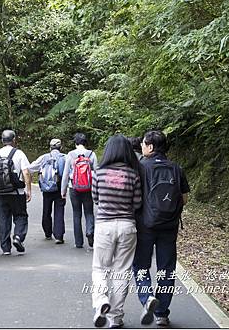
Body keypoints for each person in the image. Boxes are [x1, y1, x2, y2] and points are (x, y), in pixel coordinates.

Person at [133, 130, 190, 327]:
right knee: (166, 269)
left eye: (142, 144)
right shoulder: (176, 168)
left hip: (145, 225)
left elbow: (135, 197)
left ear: (149, 147)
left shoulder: (140, 167)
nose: (141, 147)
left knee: (141, 265)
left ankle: (147, 297)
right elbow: (184, 198)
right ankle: (162, 313)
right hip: (169, 226)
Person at [91, 135, 142, 328]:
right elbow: (137, 203)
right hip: (128, 226)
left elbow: (95, 198)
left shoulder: (99, 172)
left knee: (100, 268)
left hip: (105, 225)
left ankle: (101, 301)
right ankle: (115, 318)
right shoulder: (133, 174)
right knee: (122, 272)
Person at [0, 129, 32, 255]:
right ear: (14, 140)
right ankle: (18, 236)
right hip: (17, 192)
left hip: (0, 193)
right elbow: (26, 172)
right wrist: (28, 189)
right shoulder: (19, 153)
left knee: (3, 219)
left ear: (2, 140)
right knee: (21, 216)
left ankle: (6, 249)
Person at [23, 139, 66, 244]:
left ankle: (47, 233)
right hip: (59, 188)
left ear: (50, 147)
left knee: (46, 210)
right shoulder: (64, 157)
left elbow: (29, 168)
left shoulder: (43, 157)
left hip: (46, 188)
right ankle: (59, 236)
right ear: (61, 148)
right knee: (59, 211)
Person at [61, 132, 98, 249]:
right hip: (88, 187)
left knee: (76, 214)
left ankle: (78, 242)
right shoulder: (92, 154)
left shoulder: (70, 155)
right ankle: (90, 232)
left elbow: (66, 174)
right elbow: (96, 173)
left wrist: (63, 190)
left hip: (74, 187)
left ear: (75, 143)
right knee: (89, 212)